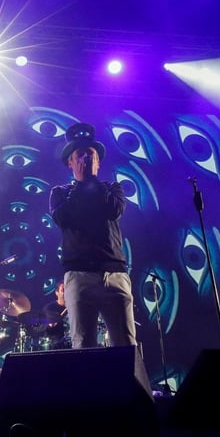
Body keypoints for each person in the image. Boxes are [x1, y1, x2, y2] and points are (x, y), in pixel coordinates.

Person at [49, 122, 136, 349]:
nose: (86, 159)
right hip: (79, 276)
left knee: (125, 345)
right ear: (70, 162)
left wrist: (92, 182)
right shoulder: (60, 193)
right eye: (80, 155)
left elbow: (113, 210)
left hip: (114, 274)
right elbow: (63, 218)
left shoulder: (112, 188)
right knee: (84, 345)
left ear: (99, 161)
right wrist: (81, 183)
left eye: (91, 155)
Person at [41, 282, 70, 349]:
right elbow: (51, 325)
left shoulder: (75, 306)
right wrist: (67, 308)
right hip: (56, 341)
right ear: (57, 293)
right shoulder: (50, 308)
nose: (66, 293)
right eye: (63, 290)